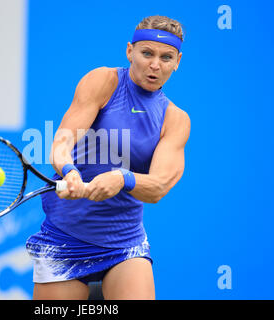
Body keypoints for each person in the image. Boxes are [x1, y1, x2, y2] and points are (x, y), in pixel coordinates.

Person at [26, 15, 191, 300]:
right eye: (147, 53)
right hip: (65, 236)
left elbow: (158, 187)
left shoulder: (175, 119)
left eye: (166, 57)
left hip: (124, 242)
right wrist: (69, 170)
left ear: (177, 61)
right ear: (130, 51)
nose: (155, 65)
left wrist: (121, 178)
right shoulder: (104, 80)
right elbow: (62, 140)